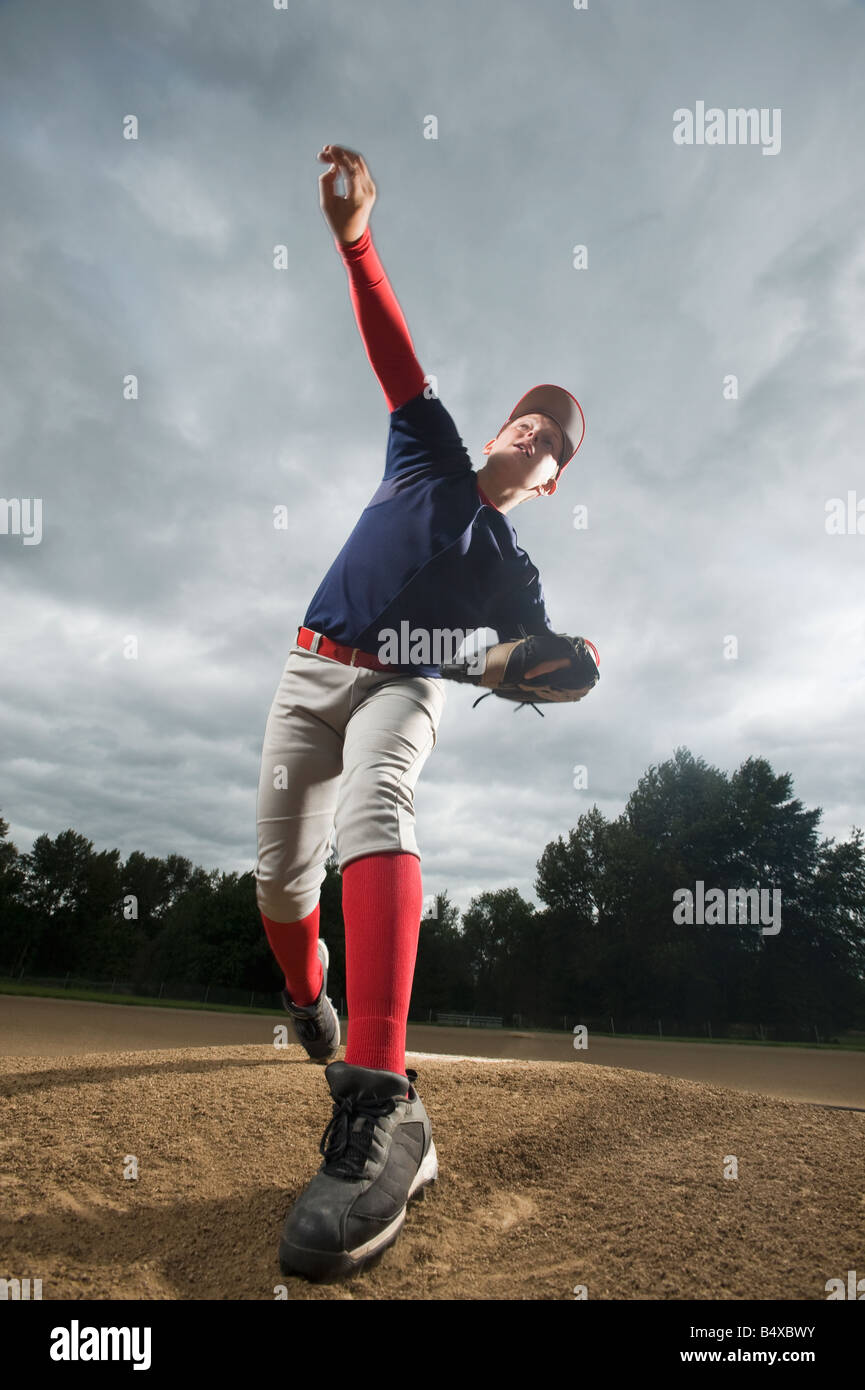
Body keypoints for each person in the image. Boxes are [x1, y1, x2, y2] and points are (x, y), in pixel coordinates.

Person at [254, 144, 585, 1282]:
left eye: (554, 444)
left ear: (548, 485)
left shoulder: (510, 566)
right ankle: (311, 1003)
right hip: (310, 668)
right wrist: (356, 240)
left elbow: (529, 656)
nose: (534, 435)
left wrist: (563, 661)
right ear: (498, 428)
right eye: (529, 421)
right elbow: (396, 353)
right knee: (277, 886)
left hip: (408, 684)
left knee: (378, 801)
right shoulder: (430, 450)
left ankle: (385, 1099)